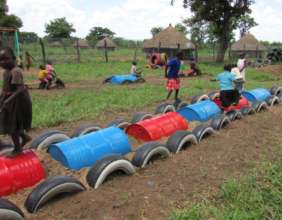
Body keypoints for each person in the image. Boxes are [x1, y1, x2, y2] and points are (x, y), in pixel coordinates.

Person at [0, 47, 32, 156]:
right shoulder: (6, 72)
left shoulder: (15, 71)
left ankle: (18, 149)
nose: (2, 62)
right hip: (10, 100)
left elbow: (20, 89)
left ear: (13, 59)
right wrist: (2, 99)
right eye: (0, 60)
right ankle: (24, 137)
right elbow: (5, 89)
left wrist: (7, 100)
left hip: (18, 102)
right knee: (11, 124)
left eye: (5, 59)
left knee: (12, 126)